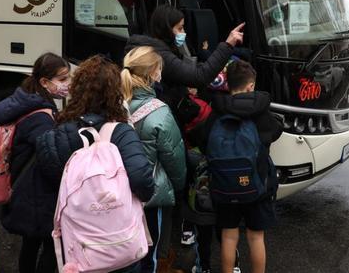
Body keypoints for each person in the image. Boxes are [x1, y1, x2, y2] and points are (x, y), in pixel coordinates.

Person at [36, 55, 155, 271]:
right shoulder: (122, 133)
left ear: (76, 89)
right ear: (115, 93)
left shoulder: (58, 133)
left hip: (79, 248)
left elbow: (50, 183)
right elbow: (142, 180)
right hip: (120, 245)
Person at [194, 60, 282, 273]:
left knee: (229, 235)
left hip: (224, 184)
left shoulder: (218, 109)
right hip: (257, 183)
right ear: (251, 86)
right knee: (255, 236)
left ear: (228, 85)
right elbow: (275, 132)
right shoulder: (260, 111)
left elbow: (203, 140)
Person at [0, 53, 70, 273]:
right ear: (45, 82)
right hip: (37, 193)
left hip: (24, 187)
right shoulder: (41, 116)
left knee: (30, 243)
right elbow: (50, 158)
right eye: (62, 79)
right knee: (50, 245)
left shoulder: (24, 100)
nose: (67, 84)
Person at [121, 47, 186, 273]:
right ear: (152, 74)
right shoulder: (160, 112)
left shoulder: (115, 104)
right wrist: (178, 187)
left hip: (117, 194)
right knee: (150, 254)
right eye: (159, 69)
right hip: (151, 195)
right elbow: (174, 158)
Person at [126, 5, 244, 125]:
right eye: (180, 28)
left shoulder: (154, 48)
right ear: (166, 29)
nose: (184, 33)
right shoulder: (159, 55)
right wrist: (228, 45)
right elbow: (200, 77)